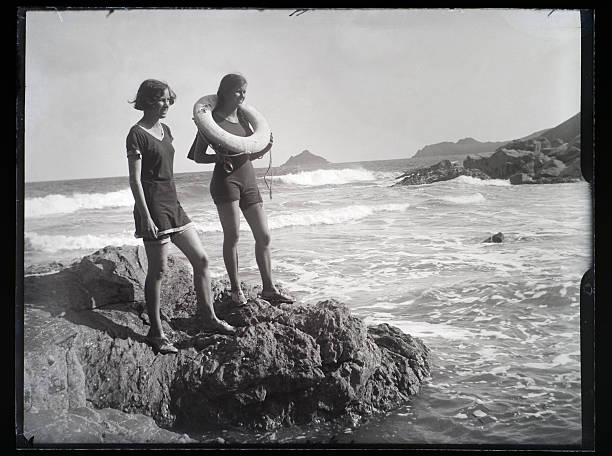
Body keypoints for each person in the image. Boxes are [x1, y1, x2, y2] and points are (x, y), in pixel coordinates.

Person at [126, 79, 235, 354]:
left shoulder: (167, 130)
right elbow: (135, 181)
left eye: (169, 100)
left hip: (173, 204)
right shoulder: (136, 134)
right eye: (162, 99)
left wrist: (218, 158)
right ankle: (156, 332)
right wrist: (146, 216)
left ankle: (209, 317)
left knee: (202, 260)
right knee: (159, 271)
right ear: (148, 101)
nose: (167, 105)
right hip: (153, 208)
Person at [187, 73, 294, 305]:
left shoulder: (245, 119)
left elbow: (246, 152)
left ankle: (269, 288)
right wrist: (218, 157)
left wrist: (266, 148)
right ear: (224, 92)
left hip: (249, 180)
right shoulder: (210, 121)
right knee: (233, 236)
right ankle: (236, 290)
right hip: (226, 181)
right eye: (238, 91)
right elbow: (196, 156)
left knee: (264, 235)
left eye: (245, 91)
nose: (243, 95)